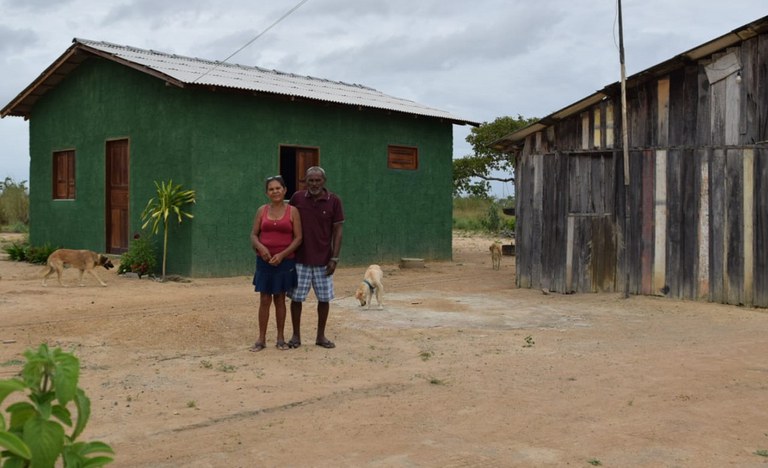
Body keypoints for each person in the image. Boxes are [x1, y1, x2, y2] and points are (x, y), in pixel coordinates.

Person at [287, 166, 344, 349]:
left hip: (324, 261)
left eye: (317, 180)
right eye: (310, 180)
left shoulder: (334, 201)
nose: (314, 184)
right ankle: (296, 336)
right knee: (296, 299)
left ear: (324, 181)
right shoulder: (297, 198)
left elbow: (338, 231)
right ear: (305, 181)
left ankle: (321, 336)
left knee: (324, 299)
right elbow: (288, 223)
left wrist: (334, 258)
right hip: (300, 259)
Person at [249, 175, 302, 352]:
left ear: (285, 190)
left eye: (278, 188)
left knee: (280, 298)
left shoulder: (293, 211)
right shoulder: (261, 211)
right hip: (264, 261)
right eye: (271, 189)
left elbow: (298, 238)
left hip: (285, 262)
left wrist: (282, 254)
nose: (275, 191)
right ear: (267, 193)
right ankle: (261, 339)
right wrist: (261, 248)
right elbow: (253, 235)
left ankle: (280, 338)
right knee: (264, 298)